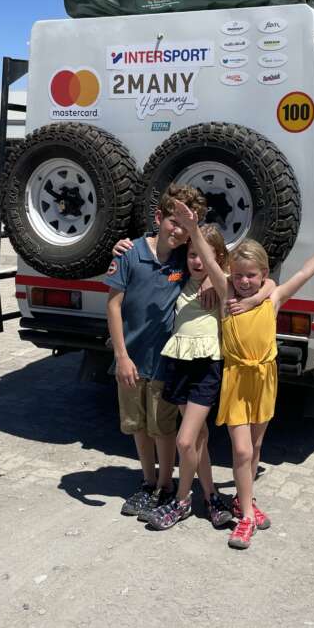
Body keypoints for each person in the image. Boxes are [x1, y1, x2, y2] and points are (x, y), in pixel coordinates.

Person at [173, 198, 314, 550]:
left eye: (251, 276)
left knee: (255, 448)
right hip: (237, 380)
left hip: (265, 379)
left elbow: (304, 273)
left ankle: (245, 500)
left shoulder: (273, 298)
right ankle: (247, 520)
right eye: (238, 275)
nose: (244, 281)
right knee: (240, 451)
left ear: (264, 275)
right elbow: (210, 260)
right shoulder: (226, 297)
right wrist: (192, 228)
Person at [143, 223, 272, 532]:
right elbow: (157, 265)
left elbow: (269, 283)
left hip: (207, 366)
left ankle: (183, 499)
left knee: (185, 439)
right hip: (179, 362)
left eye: (203, 256)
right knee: (197, 438)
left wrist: (252, 299)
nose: (197, 261)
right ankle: (211, 495)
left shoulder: (224, 282)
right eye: (192, 255)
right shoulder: (180, 278)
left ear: (218, 258)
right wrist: (120, 248)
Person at [104, 183, 208, 519]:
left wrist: (208, 277)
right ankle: (148, 482)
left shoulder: (185, 257)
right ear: (159, 217)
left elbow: (215, 260)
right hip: (131, 361)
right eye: (173, 222)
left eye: (185, 226)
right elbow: (113, 305)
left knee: (162, 428)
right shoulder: (129, 253)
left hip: (165, 363)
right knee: (137, 425)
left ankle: (165, 485)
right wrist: (121, 356)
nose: (178, 231)